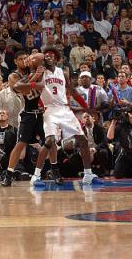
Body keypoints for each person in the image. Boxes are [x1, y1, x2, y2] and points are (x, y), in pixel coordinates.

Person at [38, 48, 100, 185]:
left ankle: (88, 174)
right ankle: (37, 175)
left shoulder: (63, 72)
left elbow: (73, 91)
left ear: (56, 58)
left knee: (83, 140)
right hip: (50, 109)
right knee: (49, 142)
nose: (48, 57)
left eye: (51, 55)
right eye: (46, 56)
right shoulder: (40, 72)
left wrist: (87, 108)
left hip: (64, 109)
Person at [1, 52, 53, 186]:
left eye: (26, 58)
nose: (25, 60)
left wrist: (39, 71)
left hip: (42, 114)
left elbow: (46, 85)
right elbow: (23, 90)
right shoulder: (14, 76)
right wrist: (35, 77)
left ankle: (53, 170)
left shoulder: (40, 71)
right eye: (21, 59)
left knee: (50, 142)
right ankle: (8, 174)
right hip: (27, 113)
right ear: (15, 61)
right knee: (21, 144)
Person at [106, 108, 132, 177]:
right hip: (124, 154)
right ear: (127, 114)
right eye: (131, 112)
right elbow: (109, 137)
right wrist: (113, 122)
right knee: (117, 175)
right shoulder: (122, 125)